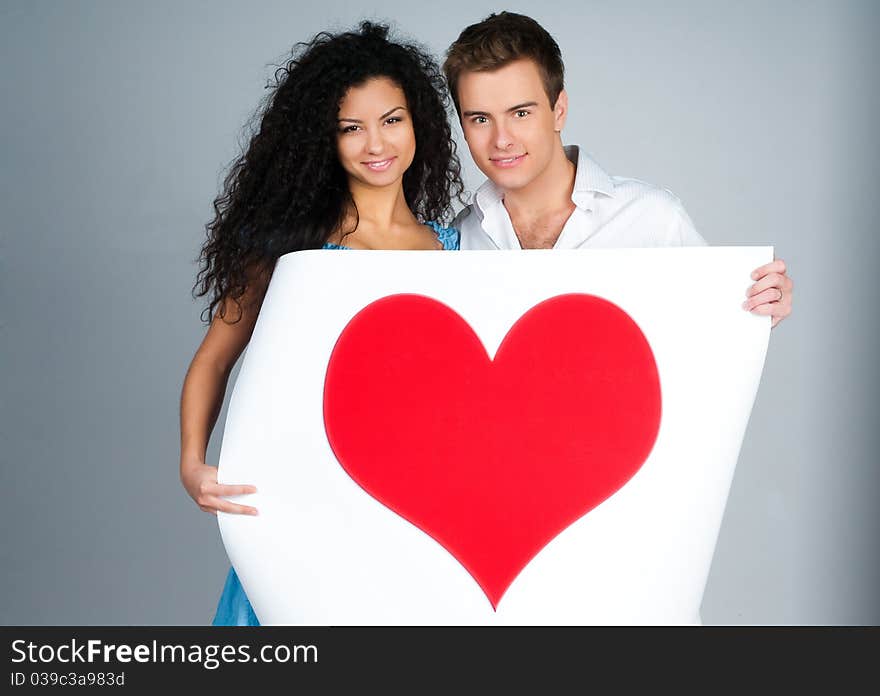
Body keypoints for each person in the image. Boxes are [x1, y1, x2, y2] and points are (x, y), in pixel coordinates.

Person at [179, 22, 463, 625]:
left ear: (419, 124)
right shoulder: (288, 247)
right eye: (350, 128)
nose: (375, 143)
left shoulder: (455, 249)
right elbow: (214, 357)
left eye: (391, 119)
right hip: (306, 500)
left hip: (416, 514)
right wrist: (191, 461)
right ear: (322, 141)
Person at [442, 12, 793, 326]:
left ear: (559, 110)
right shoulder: (463, 237)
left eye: (521, 113)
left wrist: (764, 302)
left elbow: (715, 321)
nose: (502, 139)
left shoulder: (652, 217)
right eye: (480, 119)